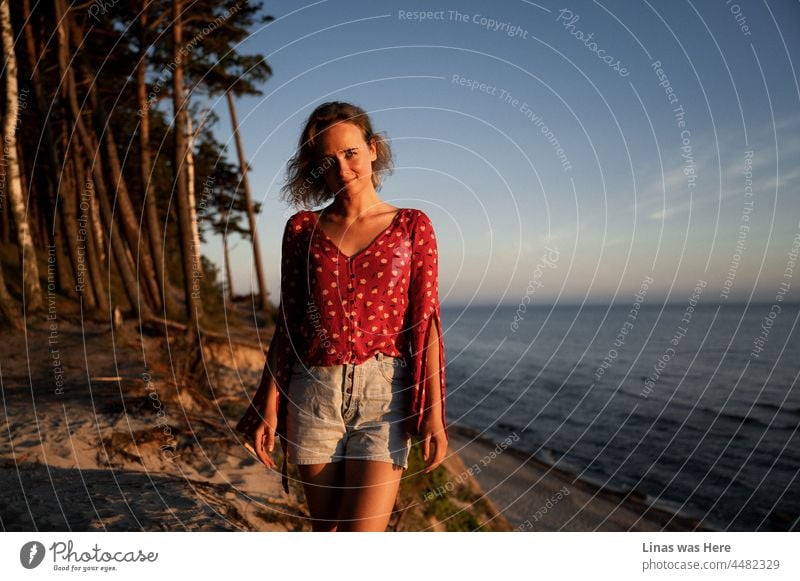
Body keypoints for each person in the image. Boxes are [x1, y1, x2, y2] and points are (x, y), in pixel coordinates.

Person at [236, 101, 448, 532]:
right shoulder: (302, 229)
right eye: (327, 160)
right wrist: (269, 407)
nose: (342, 168)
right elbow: (290, 325)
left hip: (384, 396)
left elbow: (425, 324)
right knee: (326, 531)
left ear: (372, 149)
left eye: (350, 153)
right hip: (312, 393)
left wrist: (434, 414)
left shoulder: (412, 226)